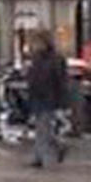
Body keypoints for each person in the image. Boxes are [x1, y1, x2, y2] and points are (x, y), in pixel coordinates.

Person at [25, 30, 68, 167]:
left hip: (49, 97)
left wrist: (61, 100)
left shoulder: (57, 59)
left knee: (42, 128)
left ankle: (38, 157)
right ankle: (59, 146)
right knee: (43, 128)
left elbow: (60, 80)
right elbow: (32, 77)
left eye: (37, 42)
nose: (35, 45)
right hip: (37, 96)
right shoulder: (36, 58)